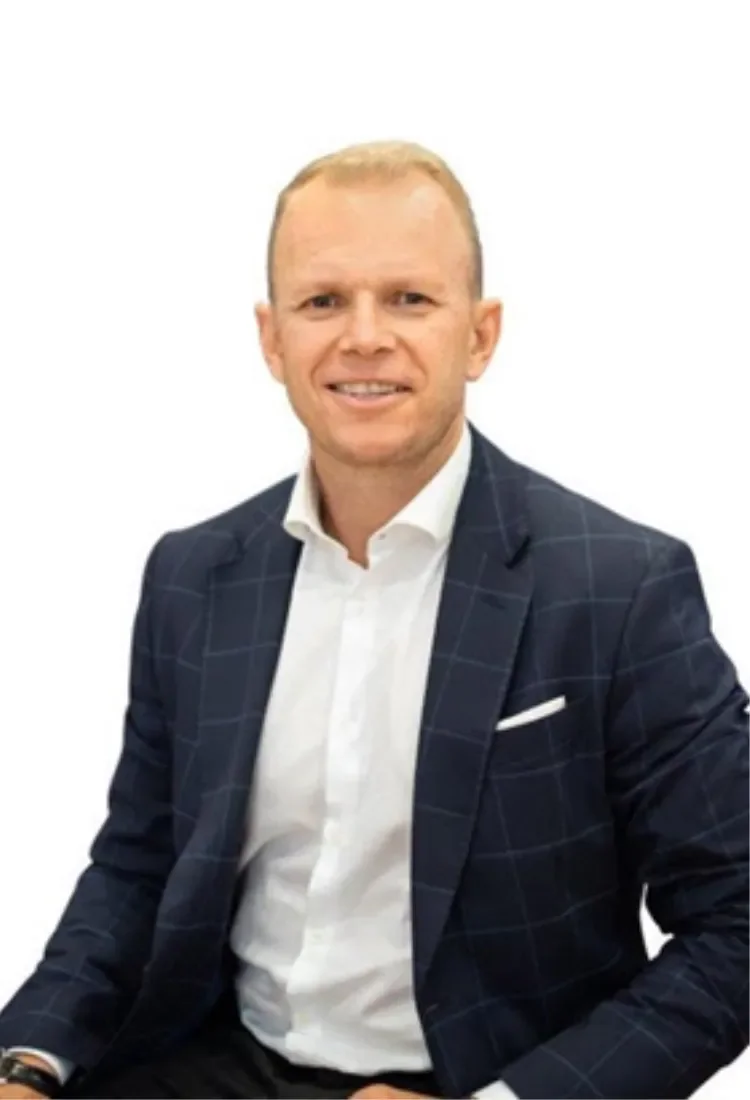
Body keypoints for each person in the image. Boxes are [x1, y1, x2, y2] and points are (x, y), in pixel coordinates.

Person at [0, 139, 747, 1100]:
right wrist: (28, 1057)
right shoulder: (192, 577)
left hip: (487, 1079)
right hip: (216, 1064)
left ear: (481, 335)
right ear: (273, 341)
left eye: (409, 299)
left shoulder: (619, 588)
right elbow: (139, 866)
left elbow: (736, 925)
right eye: (323, 302)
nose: (362, 337)